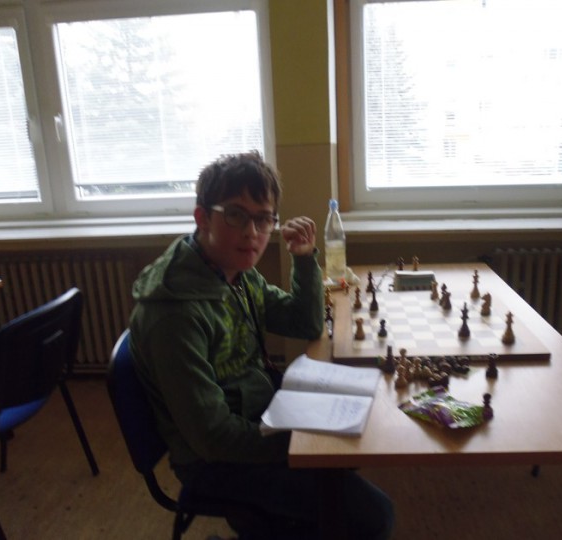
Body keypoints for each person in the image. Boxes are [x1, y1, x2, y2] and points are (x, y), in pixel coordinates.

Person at [128, 151, 394, 539]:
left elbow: (303, 323)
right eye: (236, 215)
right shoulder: (175, 315)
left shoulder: (234, 273)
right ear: (202, 218)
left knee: (350, 446)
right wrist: (303, 442)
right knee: (373, 517)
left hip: (260, 413)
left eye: (264, 218)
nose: (252, 232)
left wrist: (304, 259)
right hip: (214, 462)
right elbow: (213, 437)